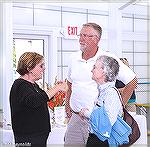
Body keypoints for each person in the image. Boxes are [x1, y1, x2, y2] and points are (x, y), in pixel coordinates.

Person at [64, 22, 137, 146]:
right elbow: (70, 85)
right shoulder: (73, 58)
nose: (82, 39)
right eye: (81, 35)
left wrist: (119, 107)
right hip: (76, 119)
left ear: (97, 39)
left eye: (87, 36)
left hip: (99, 122)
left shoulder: (108, 57)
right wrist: (67, 108)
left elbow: (132, 80)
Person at [9, 52, 68, 147]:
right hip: (28, 137)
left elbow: (43, 98)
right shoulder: (20, 85)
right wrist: (57, 88)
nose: (44, 68)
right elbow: (34, 101)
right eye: (41, 66)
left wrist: (57, 87)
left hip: (37, 136)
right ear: (29, 68)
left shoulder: (33, 85)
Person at [80, 55, 123, 147]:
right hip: (96, 139)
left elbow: (107, 122)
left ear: (104, 71)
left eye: (95, 67)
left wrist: (86, 113)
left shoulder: (110, 93)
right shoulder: (102, 91)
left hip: (103, 141)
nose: (92, 70)